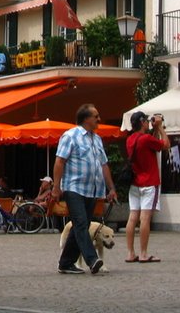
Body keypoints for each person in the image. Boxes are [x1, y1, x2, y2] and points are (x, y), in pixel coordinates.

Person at [52, 103, 117, 275]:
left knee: (82, 225)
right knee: (80, 223)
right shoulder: (70, 136)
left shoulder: (97, 139)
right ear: (86, 118)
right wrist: (56, 187)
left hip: (92, 189)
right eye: (96, 116)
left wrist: (111, 189)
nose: (99, 119)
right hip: (74, 188)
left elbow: (103, 165)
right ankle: (92, 259)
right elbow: (59, 161)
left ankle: (65, 263)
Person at [125, 111, 170, 263]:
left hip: (135, 183)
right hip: (149, 183)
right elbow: (165, 145)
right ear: (143, 122)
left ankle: (130, 253)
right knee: (145, 218)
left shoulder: (130, 139)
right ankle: (143, 253)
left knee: (132, 218)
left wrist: (154, 129)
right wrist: (161, 128)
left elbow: (151, 143)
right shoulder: (146, 139)